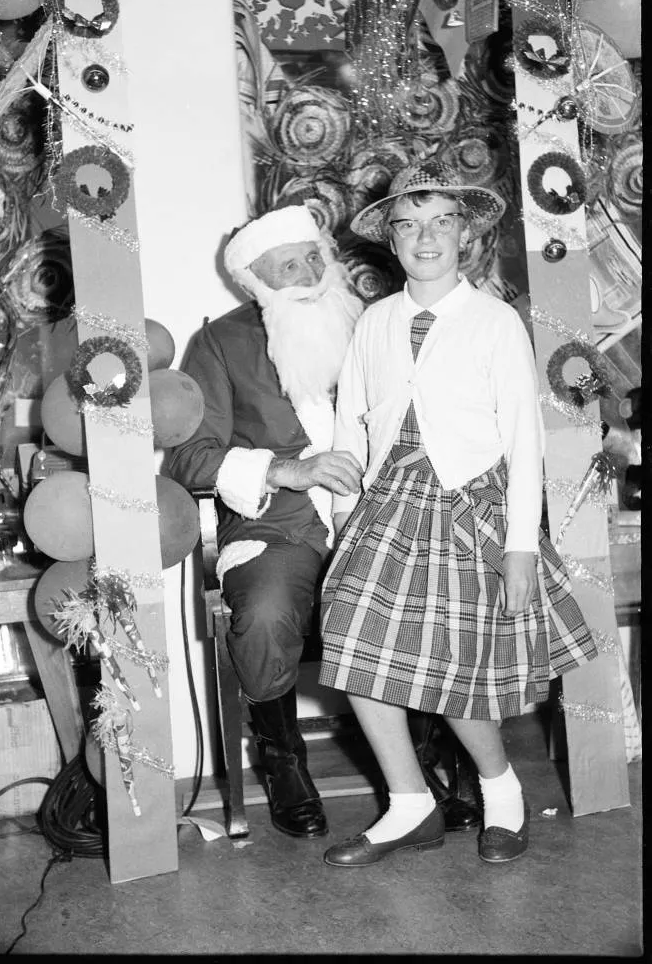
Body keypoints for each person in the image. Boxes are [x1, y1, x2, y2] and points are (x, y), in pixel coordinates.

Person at [317, 160, 599, 867]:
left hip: (468, 506)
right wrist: (347, 503)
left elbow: (522, 438)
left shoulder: (494, 322)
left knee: (451, 665)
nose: (425, 237)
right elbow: (352, 421)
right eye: (408, 225)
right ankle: (411, 803)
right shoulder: (374, 323)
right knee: (352, 644)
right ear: (391, 239)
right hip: (388, 504)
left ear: (466, 234)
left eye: (441, 222)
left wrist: (520, 547)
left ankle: (501, 792)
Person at [170, 203, 481, 841]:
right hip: (278, 525)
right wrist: (288, 470)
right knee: (263, 612)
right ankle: (283, 759)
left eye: (316, 256)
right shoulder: (219, 343)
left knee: (422, 598)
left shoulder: (375, 322)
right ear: (255, 280)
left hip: (380, 515)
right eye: (290, 266)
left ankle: (422, 762)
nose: (311, 273)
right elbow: (189, 458)